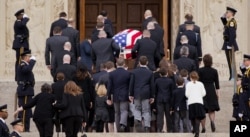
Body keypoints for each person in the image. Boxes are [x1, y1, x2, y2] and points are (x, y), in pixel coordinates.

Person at [129, 56, 155, 132]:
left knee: (137, 108)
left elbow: (131, 84)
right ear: (147, 63)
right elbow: (152, 85)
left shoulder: (134, 72)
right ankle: (147, 126)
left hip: (136, 92)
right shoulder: (150, 72)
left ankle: (137, 119)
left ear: (139, 63)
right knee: (146, 110)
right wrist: (152, 96)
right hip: (146, 93)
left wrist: (131, 94)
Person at [107, 58, 130, 132]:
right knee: (124, 110)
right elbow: (130, 85)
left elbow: (109, 86)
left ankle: (118, 128)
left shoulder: (112, 74)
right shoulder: (128, 73)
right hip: (125, 94)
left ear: (116, 64)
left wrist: (109, 97)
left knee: (117, 112)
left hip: (115, 95)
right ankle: (122, 124)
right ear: (124, 64)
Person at [198, 54, 220, 132]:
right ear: (211, 61)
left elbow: (198, 82)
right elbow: (217, 85)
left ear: (204, 61)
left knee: (202, 110)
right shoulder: (214, 71)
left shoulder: (200, 70)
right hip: (211, 90)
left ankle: (203, 127)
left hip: (202, 90)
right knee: (212, 109)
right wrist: (218, 94)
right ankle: (212, 121)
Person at [16, 50, 36, 132]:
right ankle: (23, 128)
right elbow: (26, 70)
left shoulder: (26, 65)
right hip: (24, 90)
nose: (30, 58)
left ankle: (26, 128)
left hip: (27, 90)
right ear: (25, 57)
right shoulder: (22, 64)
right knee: (24, 110)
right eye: (29, 57)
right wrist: (33, 61)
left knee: (27, 110)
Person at [74, 62, 95, 132]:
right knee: (85, 112)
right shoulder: (88, 78)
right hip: (86, 97)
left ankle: (79, 127)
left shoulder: (74, 77)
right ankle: (85, 127)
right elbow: (91, 90)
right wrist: (92, 100)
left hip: (76, 96)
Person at [185, 71, 206, 137]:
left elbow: (187, 94)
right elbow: (204, 93)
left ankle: (194, 129)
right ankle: (197, 130)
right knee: (198, 118)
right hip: (199, 102)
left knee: (192, 117)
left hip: (191, 102)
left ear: (190, 77)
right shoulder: (200, 84)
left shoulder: (188, 84)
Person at [221, 7, 238, 80]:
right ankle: (231, 76)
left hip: (229, 44)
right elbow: (223, 20)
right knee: (229, 61)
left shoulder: (232, 22)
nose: (226, 13)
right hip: (227, 43)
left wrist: (229, 45)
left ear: (231, 13)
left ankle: (233, 76)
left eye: (227, 12)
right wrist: (223, 16)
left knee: (231, 61)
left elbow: (232, 35)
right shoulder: (228, 21)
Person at [155, 67, 174, 132]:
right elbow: (172, 92)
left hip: (159, 99)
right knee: (168, 115)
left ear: (160, 74)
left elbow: (155, 91)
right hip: (168, 99)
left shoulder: (157, 80)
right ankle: (169, 129)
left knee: (160, 115)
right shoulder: (170, 81)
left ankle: (159, 128)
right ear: (167, 73)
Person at [13, 9, 30, 81]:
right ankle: (18, 76)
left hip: (22, 43)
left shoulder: (20, 23)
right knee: (20, 60)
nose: (23, 16)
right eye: (22, 15)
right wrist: (26, 18)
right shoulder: (18, 22)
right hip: (20, 44)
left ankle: (21, 75)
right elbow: (23, 24)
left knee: (23, 60)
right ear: (18, 16)